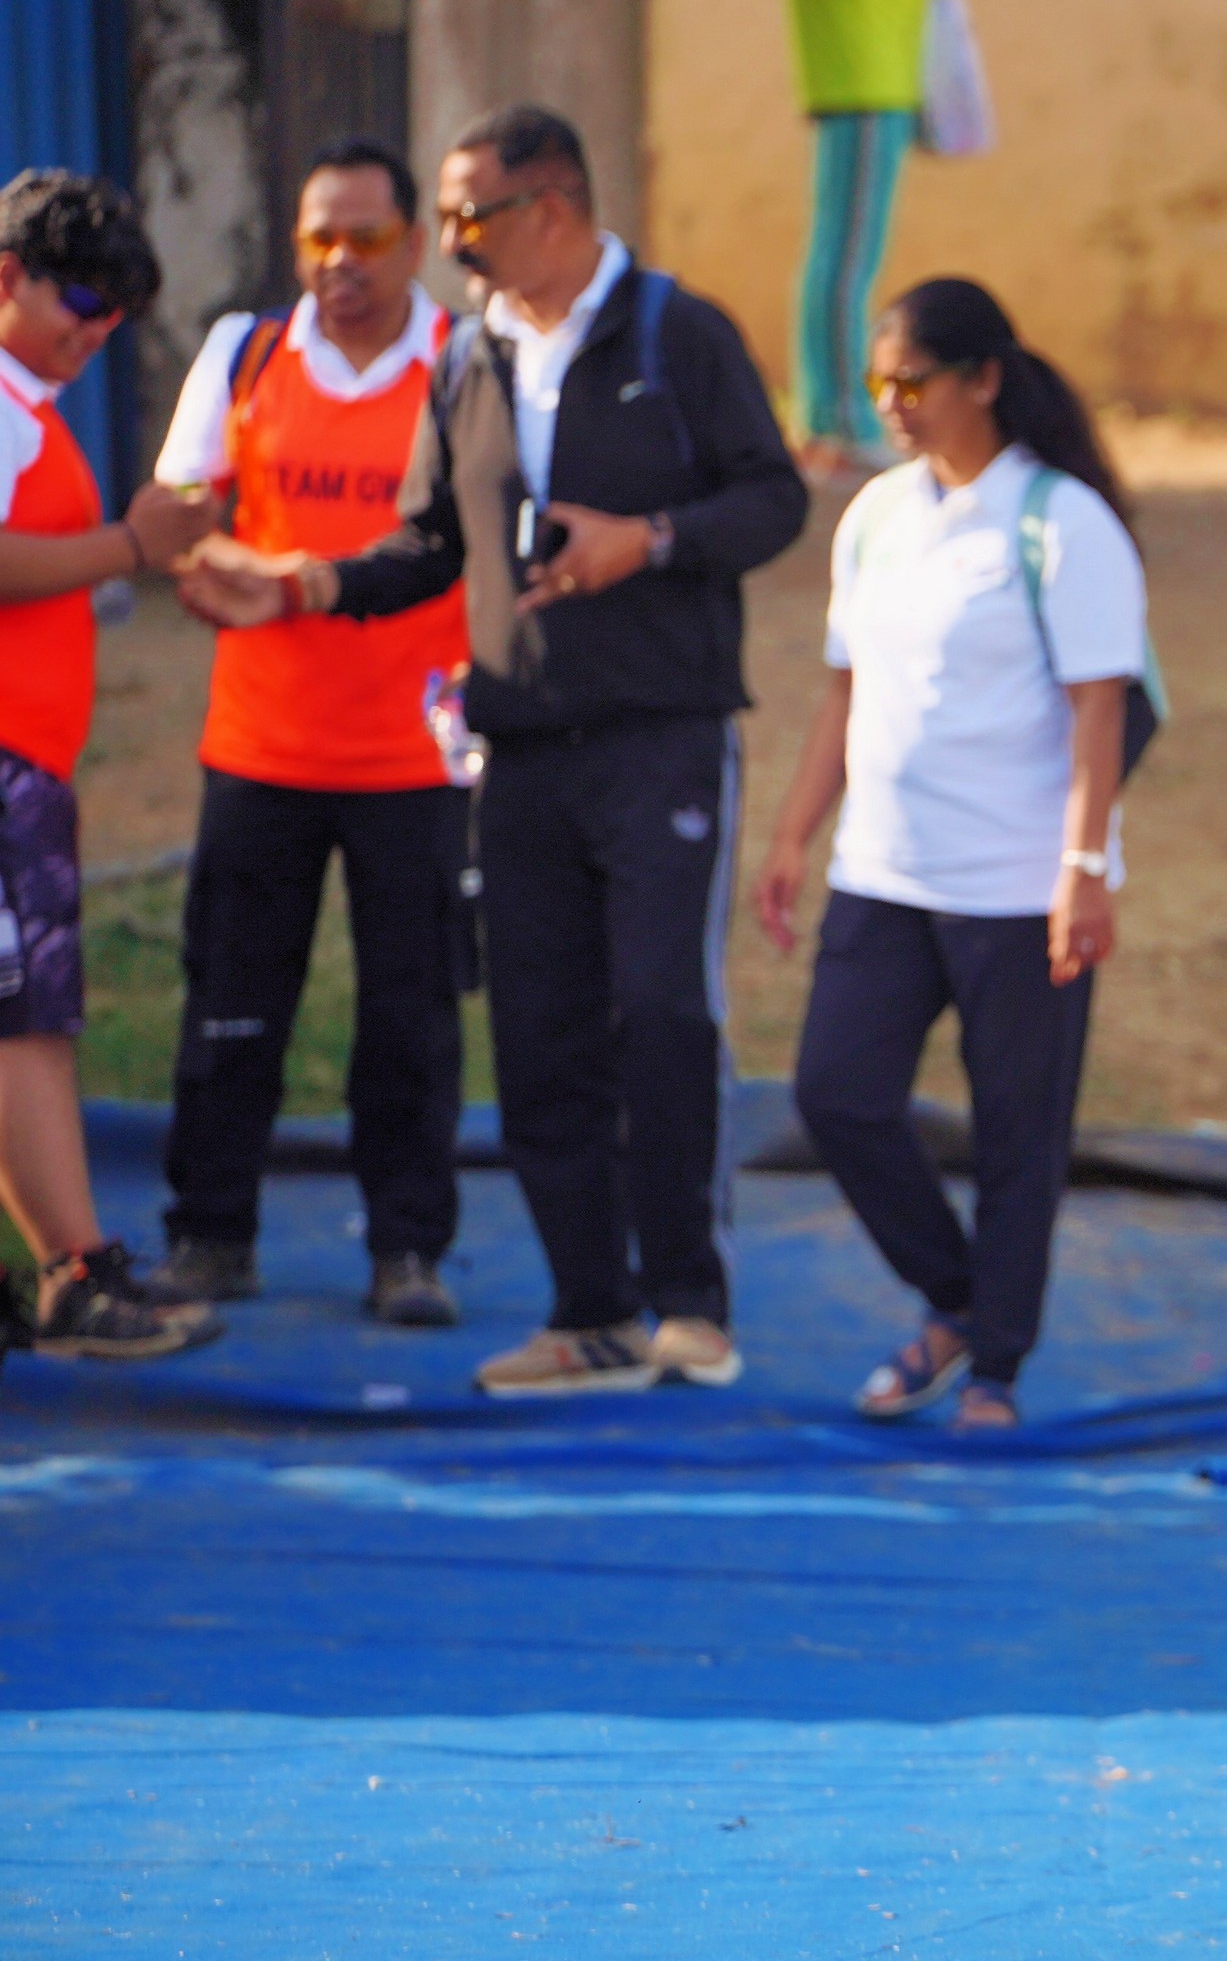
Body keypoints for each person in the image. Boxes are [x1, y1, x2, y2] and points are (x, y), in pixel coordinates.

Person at [184, 105, 808, 1398]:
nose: (454, 243)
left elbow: (774, 497)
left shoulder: (675, 334)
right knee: (537, 1034)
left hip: (659, 737)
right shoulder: (469, 356)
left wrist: (649, 542)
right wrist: (302, 585)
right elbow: (429, 541)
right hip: (513, 747)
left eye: (470, 217)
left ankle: (689, 1303)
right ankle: (591, 1313)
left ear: (554, 208)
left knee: (660, 1012)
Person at [753, 278, 1148, 1437]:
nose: (893, 405)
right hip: (883, 870)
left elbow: (1100, 708)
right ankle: (960, 1302)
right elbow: (845, 691)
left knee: (1019, 1131)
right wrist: (794, 832)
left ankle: (994, 1373)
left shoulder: (1061, 521)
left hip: (1019, 886)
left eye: (914, 382)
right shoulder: (877, 514)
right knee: (836, 1094)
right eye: (878, 384)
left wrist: (1082, 868)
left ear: (984, 380)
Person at [134, 138, 469, 1328]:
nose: (340, 263)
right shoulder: (247, 352)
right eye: (318, 239)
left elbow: (480, 538)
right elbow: (178, 515)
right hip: (262, 746)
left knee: (412, 1021)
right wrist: (210, 562)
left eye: (366, 238)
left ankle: (407, 1252)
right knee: (230, 1006)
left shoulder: (465, 362)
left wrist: (287, 578)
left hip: (415, 753)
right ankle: (209, 1236)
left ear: (414, 246)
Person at [0, 168, 220, 1356]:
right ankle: (72, 1272)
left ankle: (64, 1266)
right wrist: (130, 544)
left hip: (26, 762)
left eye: (113, 316)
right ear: (7, 277)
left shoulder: (25, 404)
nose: (93, 334)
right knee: (22, 1023)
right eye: (79, 303)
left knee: (29, 1016)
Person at [776, 0, 976, 474]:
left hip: (866, 72)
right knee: (846, 258)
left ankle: (828, 415)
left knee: (840, 253)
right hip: (861, 74)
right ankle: (841, 420)